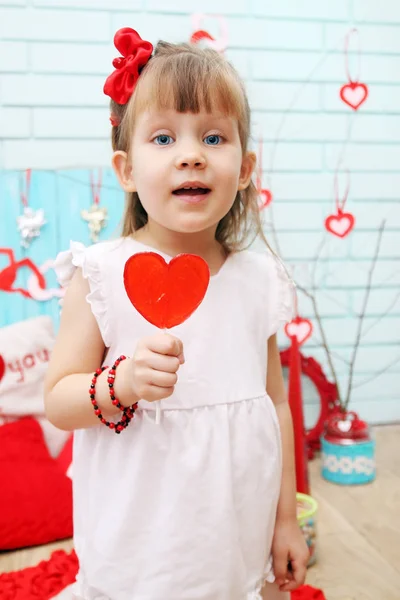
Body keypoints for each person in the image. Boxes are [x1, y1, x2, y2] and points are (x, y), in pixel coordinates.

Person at [45, 27, 309, 600]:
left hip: (234, 526)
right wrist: (125, 383)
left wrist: (285, 521)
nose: (191, 153)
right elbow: (59, 402)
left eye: (213, 137)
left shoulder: (257, 279)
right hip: (139, 536)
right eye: (163, 138)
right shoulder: (100, 275)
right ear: (126, 170)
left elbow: (277, 408)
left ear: (244, 169)